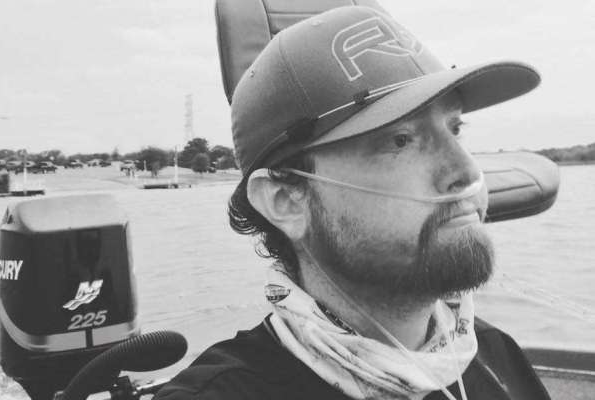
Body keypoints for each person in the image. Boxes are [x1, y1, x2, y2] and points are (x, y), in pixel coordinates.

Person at [155, 5, 550, 400]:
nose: (466, 170)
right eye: (400, 140)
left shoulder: (496, 356)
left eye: (454, 128)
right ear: (285, 200)